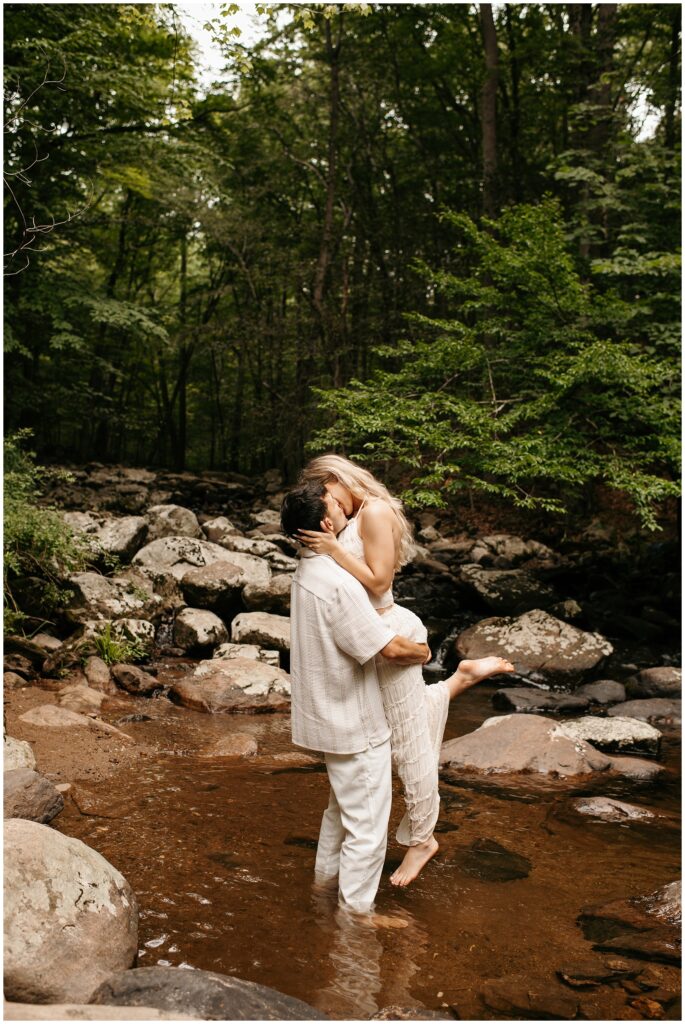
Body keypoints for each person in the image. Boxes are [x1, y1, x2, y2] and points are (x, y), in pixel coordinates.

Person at [297, 454, 514, 887]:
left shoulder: (373, 512)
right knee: (402, 722)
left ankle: (423, 838)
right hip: (366, 635)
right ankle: (460, 679)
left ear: (337, 478)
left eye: (325, 492)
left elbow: (378, 582)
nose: (328, 504)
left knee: (408, 741)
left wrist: (334, 548)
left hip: (386, 629)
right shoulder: (344, 518)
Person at [281, 482, 432, 916]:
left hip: (325, 718)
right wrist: (425, 651)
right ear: (326, 523)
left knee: (339, 814)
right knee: (367, 830)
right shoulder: (337, 583)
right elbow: (386, 647)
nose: (344, 502)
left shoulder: (306, 573)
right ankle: (355, 918)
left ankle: (323, 889)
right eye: (333, 500)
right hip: (354, 723)